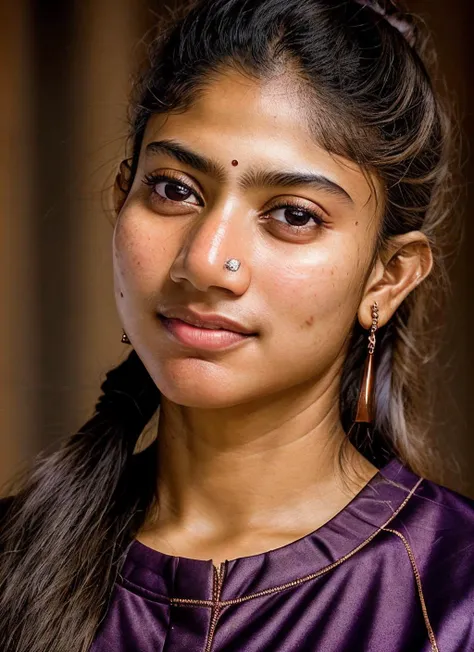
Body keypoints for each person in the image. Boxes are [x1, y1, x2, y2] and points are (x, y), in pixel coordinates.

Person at [0, 0, 472, 650]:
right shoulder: (13, 562)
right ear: (121, 196)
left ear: (387, 278)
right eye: (173, 190)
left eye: (294, 215)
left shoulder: (454, 600)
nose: (205, 262)